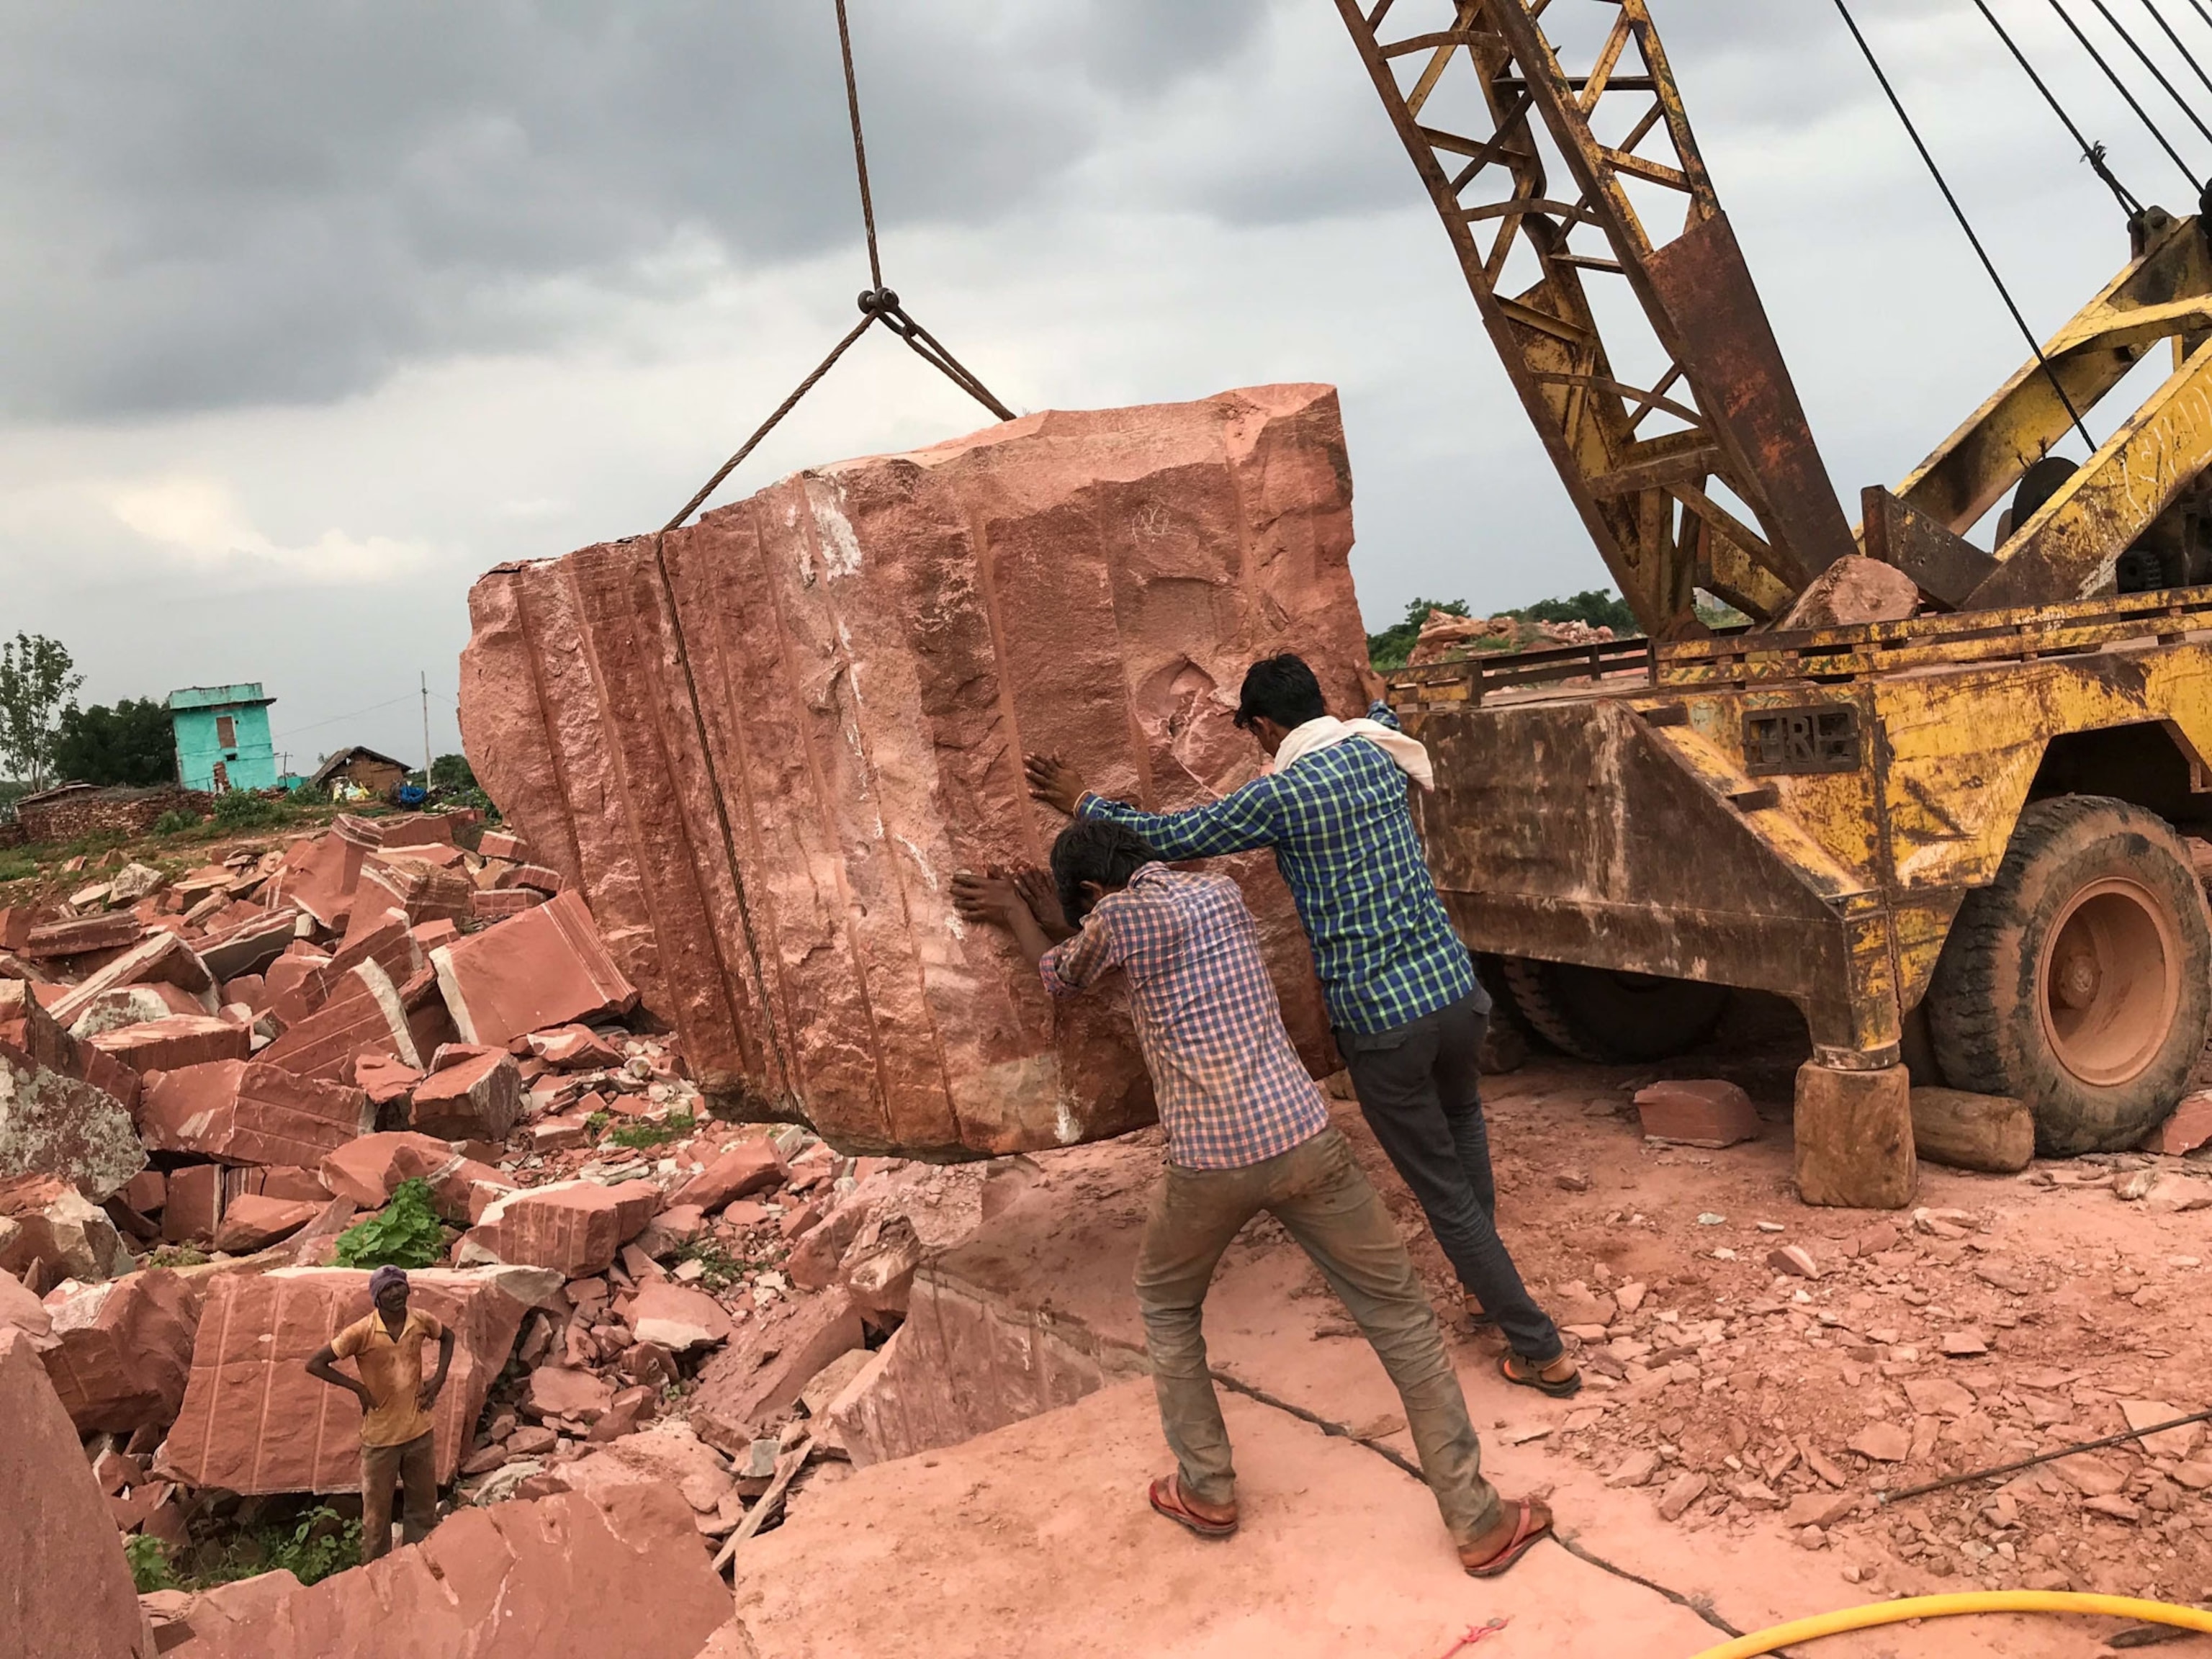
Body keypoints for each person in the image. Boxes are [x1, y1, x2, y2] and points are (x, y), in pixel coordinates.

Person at [951, 821, 1553, 1576]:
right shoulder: (1219, 892)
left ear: (1092, 895)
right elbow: (1121, 941)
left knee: (1168, 1306)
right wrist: (1062, 913)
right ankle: (1477, 1519)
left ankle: (1206, 1488)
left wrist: (1014, 911)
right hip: (1305, 1136)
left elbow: (1063, 975)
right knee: (1399, 1318)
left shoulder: (1116, 921)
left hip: (1210, 1160)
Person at [1023, 652, 1578, 1398]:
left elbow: (1170, 837)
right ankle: (1485, 1283)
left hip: (1386, 1021)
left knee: (1442, 1191)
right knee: (1463, 1131)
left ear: (1262, 726)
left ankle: (1538, 1346)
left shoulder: (1284, 794)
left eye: (1252, 733)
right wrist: (1377, 698)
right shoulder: (1377, 750)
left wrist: (1083, 803)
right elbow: (1384, 712)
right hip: (1456, 995)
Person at [306, 1264, 456, 1561]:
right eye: (387, 1289)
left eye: (399, 1285)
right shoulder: (362, 1332)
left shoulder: (420, 1321)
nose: (396, 1293)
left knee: (423, 1509)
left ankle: (419, 1566)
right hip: (380, 1440)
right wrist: (359, 1389)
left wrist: (438, 1380)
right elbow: (315, 1363)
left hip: (419, 1431)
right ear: (377, 1297)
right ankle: (376, 1578)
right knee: (376, 1520)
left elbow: (448, 1338)